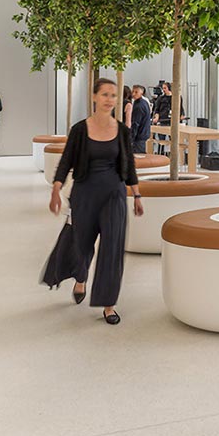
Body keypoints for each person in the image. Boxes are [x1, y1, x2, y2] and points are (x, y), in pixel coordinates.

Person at [48, 78, 142, 325]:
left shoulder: (122, 130)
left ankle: (109, 305)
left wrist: (137, 194)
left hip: (114, 195)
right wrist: (56, 189)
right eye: (105, 94)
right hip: (84, 194)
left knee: (112, 248)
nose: (109, 99)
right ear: (94, 97)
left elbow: (129, 164)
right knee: (81, 244)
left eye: (113, 95)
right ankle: (80, 278)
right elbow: (67, 160)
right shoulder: (80, 129)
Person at [129, 84, 152, 154]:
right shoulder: (143, 103)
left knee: (138, 156)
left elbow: (136, 123)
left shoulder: (139, 106)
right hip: (143, 134)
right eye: (132, 91)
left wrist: (131, 138)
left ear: (141, 93)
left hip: (139, 135)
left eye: (136, 92)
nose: (133, 94)